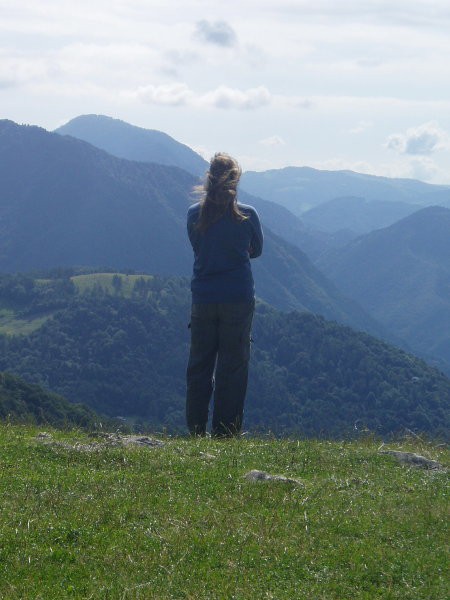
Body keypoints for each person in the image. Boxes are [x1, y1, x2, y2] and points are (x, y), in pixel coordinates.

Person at [186, 152, 263, 437]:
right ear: (236, 181)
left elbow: (197, 247)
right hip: (238, 297)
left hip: (203, 298)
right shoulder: (248, 215)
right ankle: (225, 434)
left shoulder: (194, 214)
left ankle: (195, 431)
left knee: (199, 366)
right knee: (233, 367)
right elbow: (258, 250)